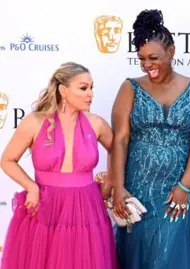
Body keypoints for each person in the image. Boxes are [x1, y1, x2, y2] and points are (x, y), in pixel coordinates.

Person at [110, 9, 190, 269]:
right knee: (140, 250)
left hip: (178, 185)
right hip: (138, 185)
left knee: (171, 251)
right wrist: (119, 187)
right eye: (142, 59)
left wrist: (186, 187)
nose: (147, 65)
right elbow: (120, 139)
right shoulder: (129, 87)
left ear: (172, 51)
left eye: (154, 57)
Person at [0, 62, 118, 269]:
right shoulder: (34, 122)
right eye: (83, 88)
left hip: (86, 207)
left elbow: (118, 150)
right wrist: (31, 187)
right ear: (63, 90)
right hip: (46, 206)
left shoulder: (96, 123)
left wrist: (109, 184)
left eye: (92, 88)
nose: (90, 94)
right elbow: (7, 160)